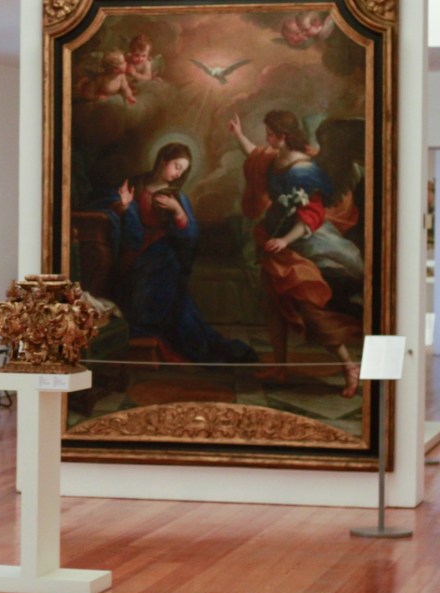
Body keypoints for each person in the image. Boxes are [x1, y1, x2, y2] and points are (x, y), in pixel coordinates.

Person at [228, 110, 364, 396]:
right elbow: (255, 156)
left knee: (309, 307)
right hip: (275, 240)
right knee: (272, 304)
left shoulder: (303, 170)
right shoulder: (277, 158)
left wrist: (286, 240)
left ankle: (349, 366)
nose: (267, 139)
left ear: (284, 136)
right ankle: (280, 367)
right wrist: (239, 135)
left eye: (271, 134)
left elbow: (312, 214)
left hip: (301, 243)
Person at [111, 142, 257, 363]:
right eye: (176, 166)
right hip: (137, 254)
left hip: (164, 257)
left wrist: (178, 211)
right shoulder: (136, 186)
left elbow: (191, 236)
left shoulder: (177, 197)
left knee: (170, 284)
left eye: (183, 170)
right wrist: (124, 207)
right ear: (163, 161)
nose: (178, 174)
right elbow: (130, 232)